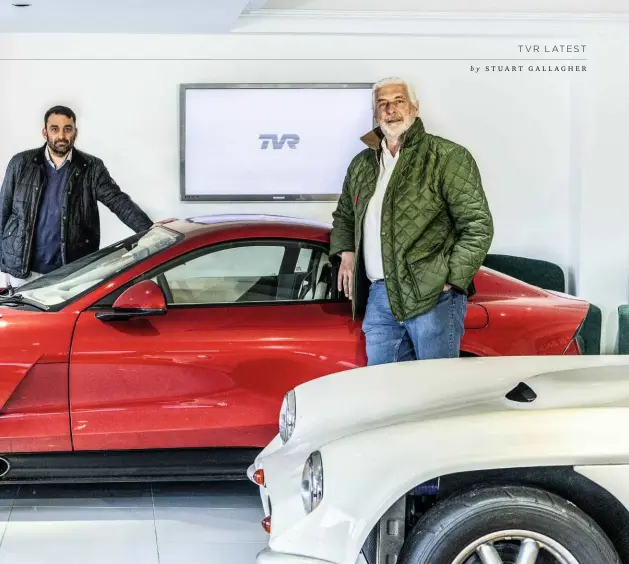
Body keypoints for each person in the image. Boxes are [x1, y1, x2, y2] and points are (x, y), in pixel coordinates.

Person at [330, 77, 494, 365]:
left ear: (415, 108)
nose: (390, 109)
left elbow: (477, 225)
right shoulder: (362, 163)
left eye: (398, 101)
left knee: (435, 391)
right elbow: (345, 214)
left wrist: (450, 281)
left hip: (433, 297)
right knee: (384, 392)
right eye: (382, 104)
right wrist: (346, 253)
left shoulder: (446, 157)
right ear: (375, 114)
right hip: (380, 295)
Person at [0, 105, 168, 288]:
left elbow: (117, 201)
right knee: (21, 317)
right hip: (22, 270)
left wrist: (150, 230)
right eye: (54, 129)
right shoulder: (21, 163)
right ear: (45, 132)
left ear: (75, 132)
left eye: (68, 129)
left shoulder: (92, 167)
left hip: (71, 273)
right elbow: (3, 209)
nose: (61, 136)